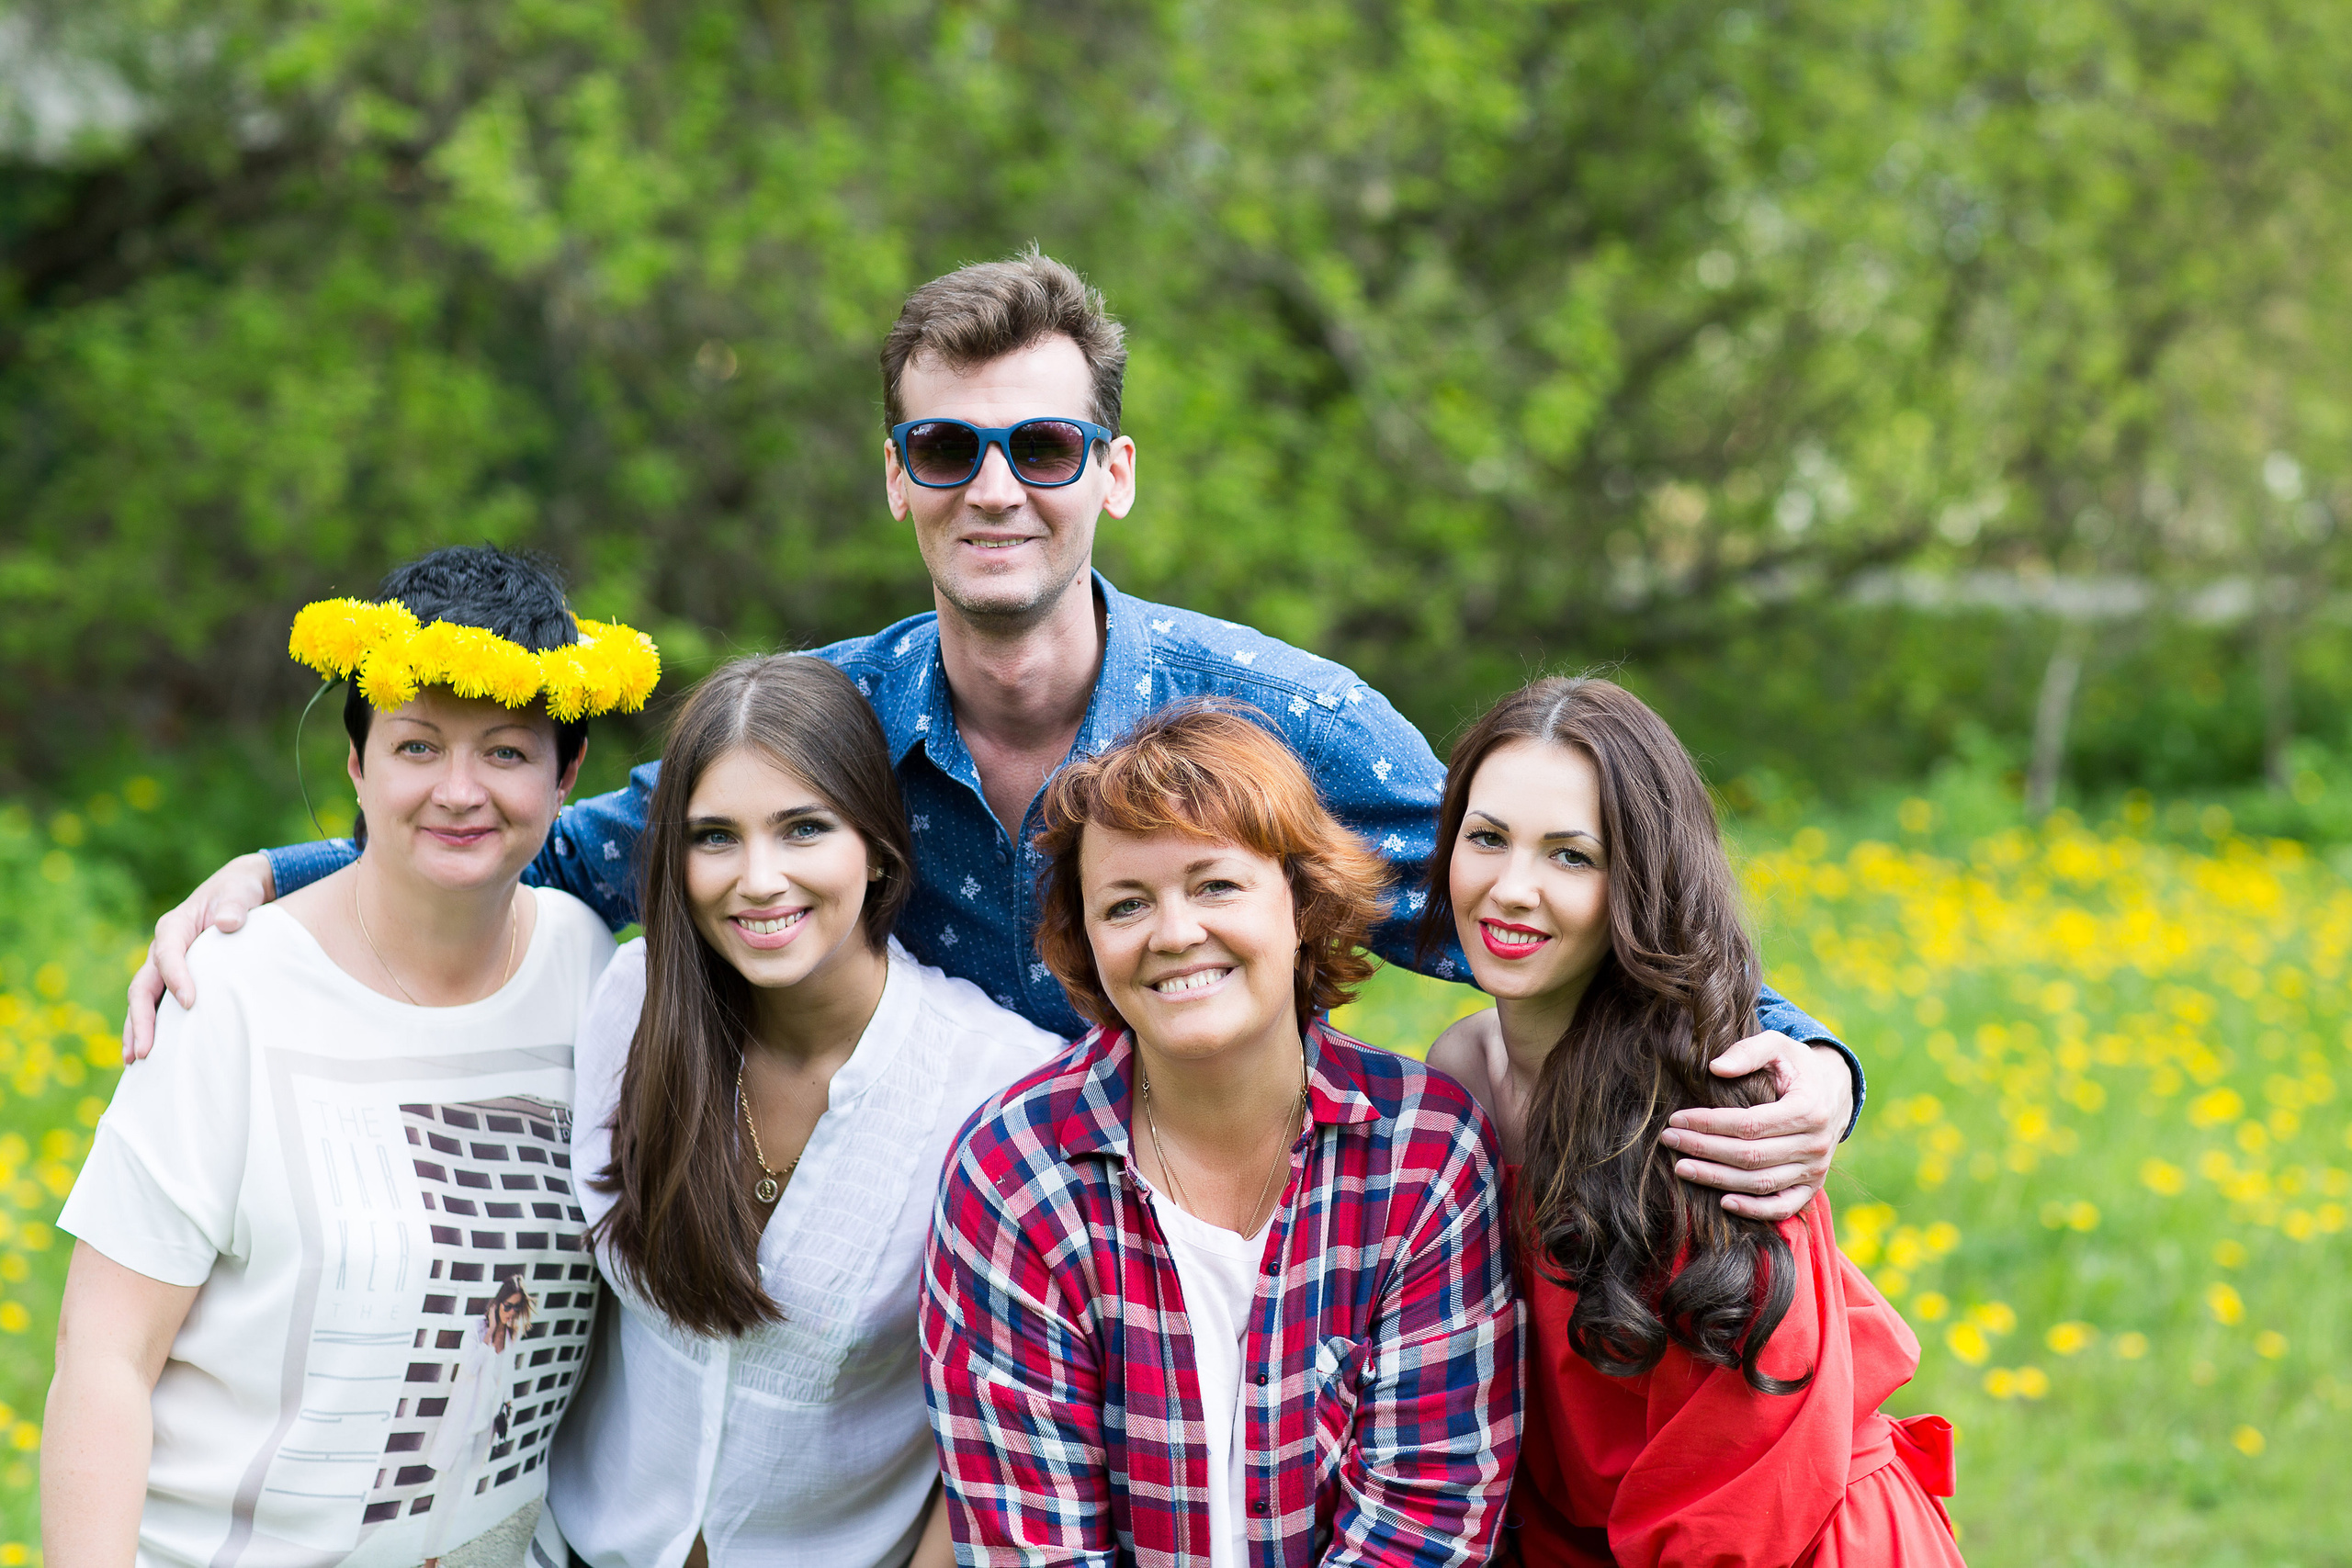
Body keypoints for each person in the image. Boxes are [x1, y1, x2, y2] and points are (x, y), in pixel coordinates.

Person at [124, 247, 1860, 1220]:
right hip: (919, 1297)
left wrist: (1808, 1062)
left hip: (1220, 1277)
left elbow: (1530, 909)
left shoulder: (1283, 718)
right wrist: (277, 877)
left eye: (1043, 446)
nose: (996, 488)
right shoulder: (826, 727)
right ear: (897, 479)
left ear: (1114, 470)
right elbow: (567, 847)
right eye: (946, 449)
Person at [42, 547, 647, 1568]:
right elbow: (104, 1356)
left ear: (567, 775)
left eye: (506, 752)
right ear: (358, 766)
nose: (459, 791)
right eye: (417, 747)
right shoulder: (231, 993)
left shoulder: (591, 972)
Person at [922, 701, 1519, 1565]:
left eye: (1215, 885)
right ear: (1088, 941)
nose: (1175, 933)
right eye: (1126, 904)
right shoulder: (1012, 1174)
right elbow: (1035, 1543)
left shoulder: (1426, 1154)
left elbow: (1423, 1524)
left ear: (1302, 903)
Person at [1421, 677, 1961, 1567]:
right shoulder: (1460, 1077)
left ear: (1640, 882)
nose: (1511, 889)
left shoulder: (1711, 1107)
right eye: (1486, 839)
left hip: (1792, 1540)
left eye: (1571, 856)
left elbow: (1744, 1487)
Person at [550, 654, 1060, 1568]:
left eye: (803, 829)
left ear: (877, 846)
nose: (758, 879)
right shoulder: (629, 998)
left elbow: (997, 1438)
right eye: (715, 836)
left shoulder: (1000, 1087)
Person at [425, 1279, 538, 1566]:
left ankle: (436, 1555)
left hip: (484, 1430)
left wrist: (508, 1403)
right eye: (508, 1306)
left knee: (461, 1497)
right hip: (463, 1430)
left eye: (517, 1309)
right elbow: (469, 1367)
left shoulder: (511, 1337)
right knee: (447, 1497)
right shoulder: (476, 1329)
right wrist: (489, 1334)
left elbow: (506, 1376)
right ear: (497, 1302)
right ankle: (430, 1561)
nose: (511, 1313)